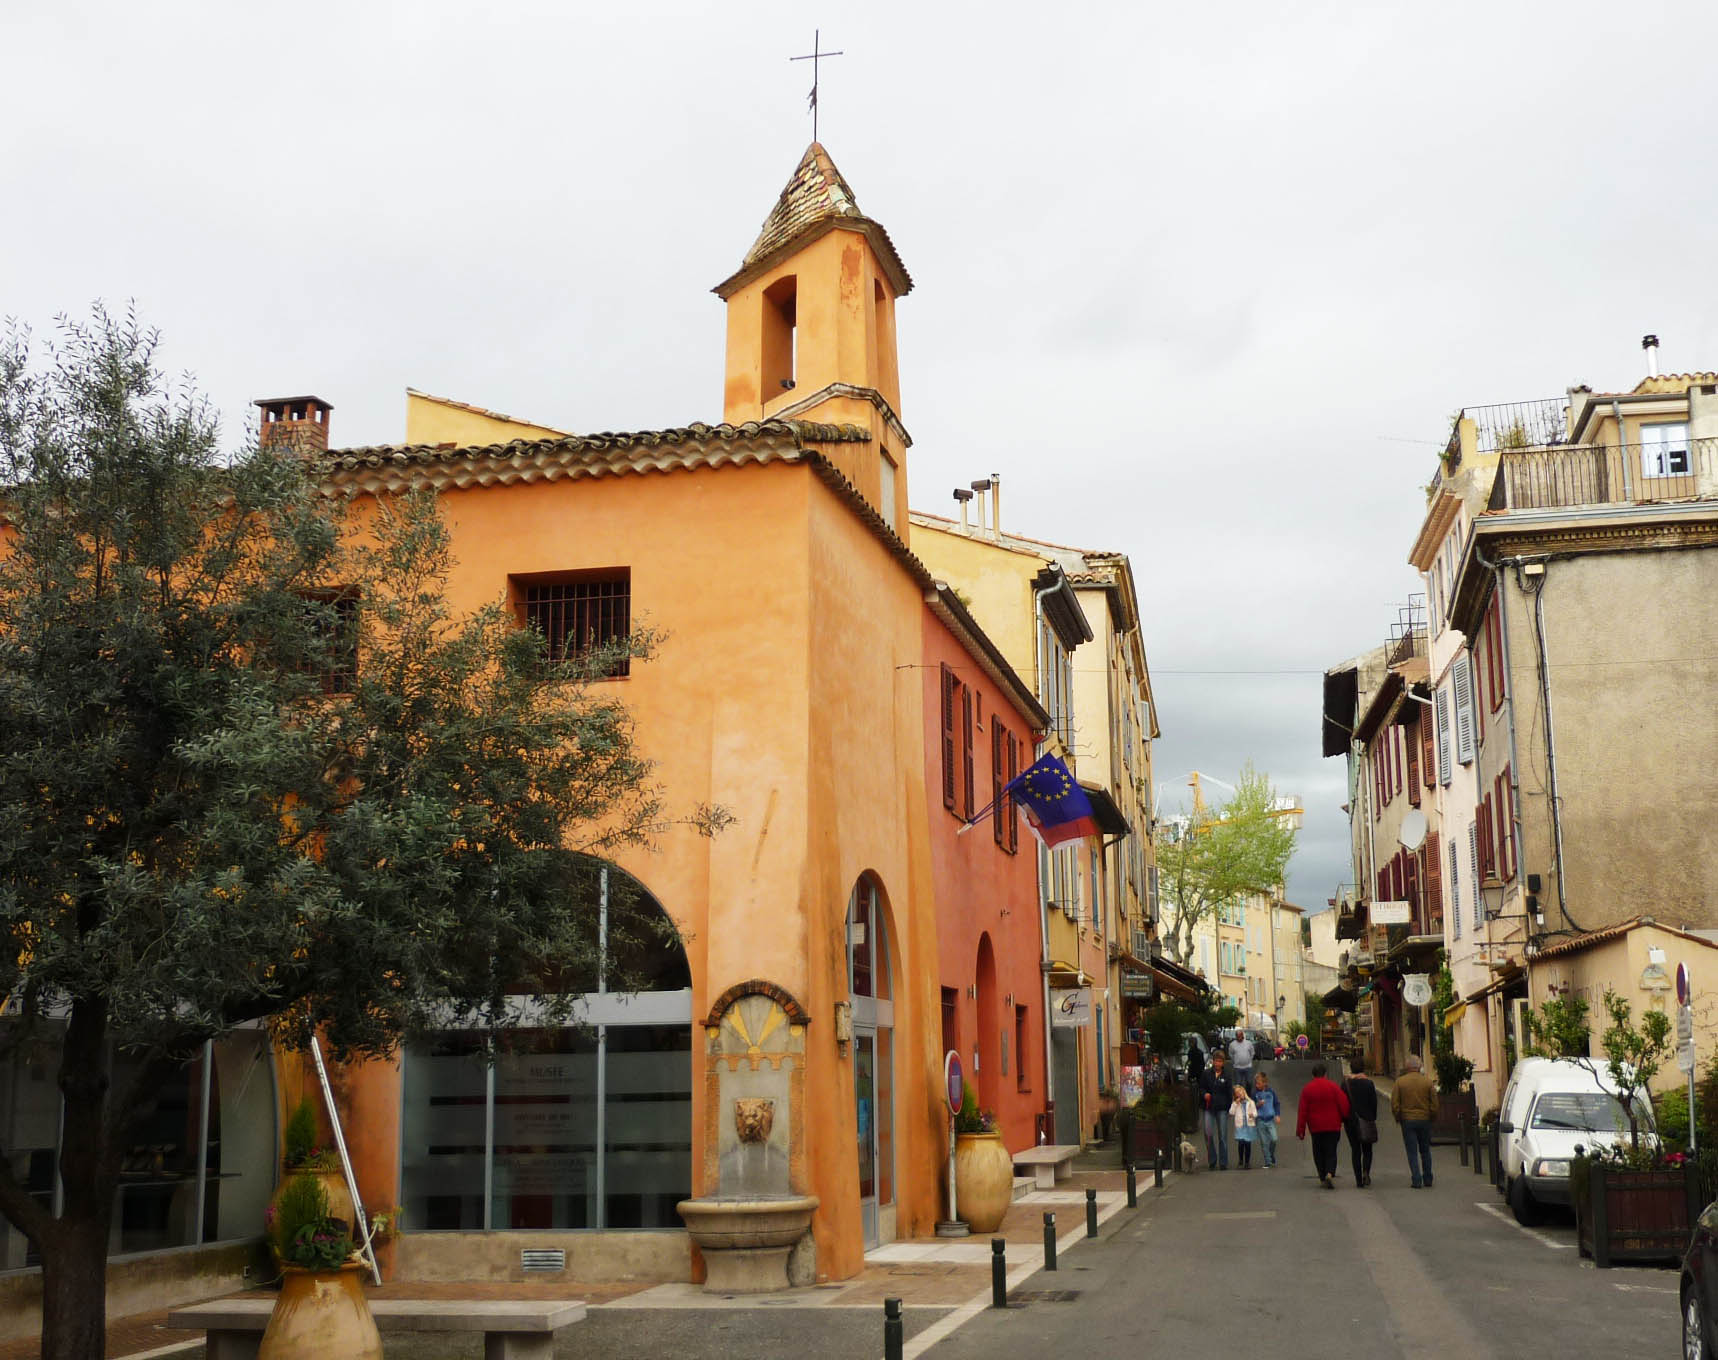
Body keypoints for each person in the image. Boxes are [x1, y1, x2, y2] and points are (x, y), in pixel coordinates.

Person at [1295, 1061, 1351, 1189]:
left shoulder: (1307, 1089)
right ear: (1325, 1074)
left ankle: (1322, 1176)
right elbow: (1343, 1103)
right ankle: (1330, 1172)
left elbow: (1303, 1111)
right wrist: (1344, 1118)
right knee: (1331, 1150)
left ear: (1313, 1075)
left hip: (1316, 1127)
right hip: (1333, 1125)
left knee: (1318, 1151)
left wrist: (1301, 1129)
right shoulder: (1333, 1086)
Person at [1391, 1053, 1439, 1188]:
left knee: (1412, 1151)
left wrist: (1398, 1117)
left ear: (1407, 1067)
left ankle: (1416, 1179)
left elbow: (1395, 1103)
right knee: (1425, 1150)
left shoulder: (1400, 1082)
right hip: (1424, 1119)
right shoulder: (1428, 1082)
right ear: (1420, 1066)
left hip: (1407, 1120)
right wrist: (1432, 1116)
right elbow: (1434, 1103)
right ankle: (1428, 1177)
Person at [1341, 1058, 1379, 1187]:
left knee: (1355, 1150)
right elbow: (1373, 1103)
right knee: (1367, 1149)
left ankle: (1358, 1180)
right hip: (1366, 1120)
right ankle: (1366, 1171)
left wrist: (1344, 1118)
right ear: (1363, 1068)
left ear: (1351, 1068)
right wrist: (1372, 1117)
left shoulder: (1345, 1084)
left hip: (1350, 1121)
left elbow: (1342, 1102)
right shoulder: (1368, 1084)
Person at [1198, 1051, 1232, 1170]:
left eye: (1220, 1061)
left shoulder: (1227, 1075)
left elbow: (1229, 1093)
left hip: (1222, 1108)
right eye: (1216, 1061)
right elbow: (1201, 1087)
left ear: (1223, 1063)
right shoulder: (1206, 1074)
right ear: (1213, 1061)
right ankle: (1212, 1160)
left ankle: (1223, 1162)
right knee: (1208, 1134)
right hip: (1209, 1107)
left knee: (1222, 1135)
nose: (1217, 1063)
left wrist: (1229, 1108)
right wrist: (1204, 1094)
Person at [1252, 1070, 1281, 1168]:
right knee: (1264, 1142)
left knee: (1274, 1139)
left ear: (1265, 1083)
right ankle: (1268, 1161)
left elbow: (1276, 1104)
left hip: (1270, 1120)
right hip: (1260, 1120)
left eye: (1259, 1083)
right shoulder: (1255, 1093)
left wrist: (1277, 1115)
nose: (1257, 1085)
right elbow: (1251, 1106)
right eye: (1256, 1083)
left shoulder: (1271, 1091)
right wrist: (1257, 1105)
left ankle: (1271, 1154)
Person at [1231, 1084, 1257, 1168]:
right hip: (1240, 1126)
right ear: (1235, 1095)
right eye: (1237, 1092)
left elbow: (1256, 1113)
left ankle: (1247, 1162)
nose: (1239, 1093)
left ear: (1244, 1091)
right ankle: (1240, 1160)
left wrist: (1252, 1115)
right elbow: (1231, 1112)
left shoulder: (1251, 1102)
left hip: (1249, 1125)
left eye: (1240, 1091)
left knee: (1248, 1144)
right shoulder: (1235, 1103)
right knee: (1241, 1143)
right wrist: (1235, 1103)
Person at [1227, 1030, 1256, 1096]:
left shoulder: (1248, 1043)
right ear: (1236, 1036)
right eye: (1238, 1036)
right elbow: (1230, 1054)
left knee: (1249, 1082)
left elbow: (1252, 1053)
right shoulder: (1232, 1044)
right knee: (1238, 1084)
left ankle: (1248, 1095)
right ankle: (1239, 1096)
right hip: (1237, 1067)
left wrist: (1249, 1060)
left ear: (1243, 1035)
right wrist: (1235, 1061)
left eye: (1240, 1035)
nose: (1239, 1037)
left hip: (1248, 1066)